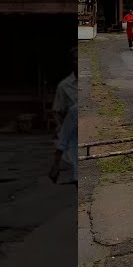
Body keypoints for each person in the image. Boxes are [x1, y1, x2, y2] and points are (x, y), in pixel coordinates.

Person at [49, 53, 78, 185]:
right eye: (75, 59)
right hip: (71, 128)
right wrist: (59, 125)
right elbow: (57, 110)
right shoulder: (64, 86)